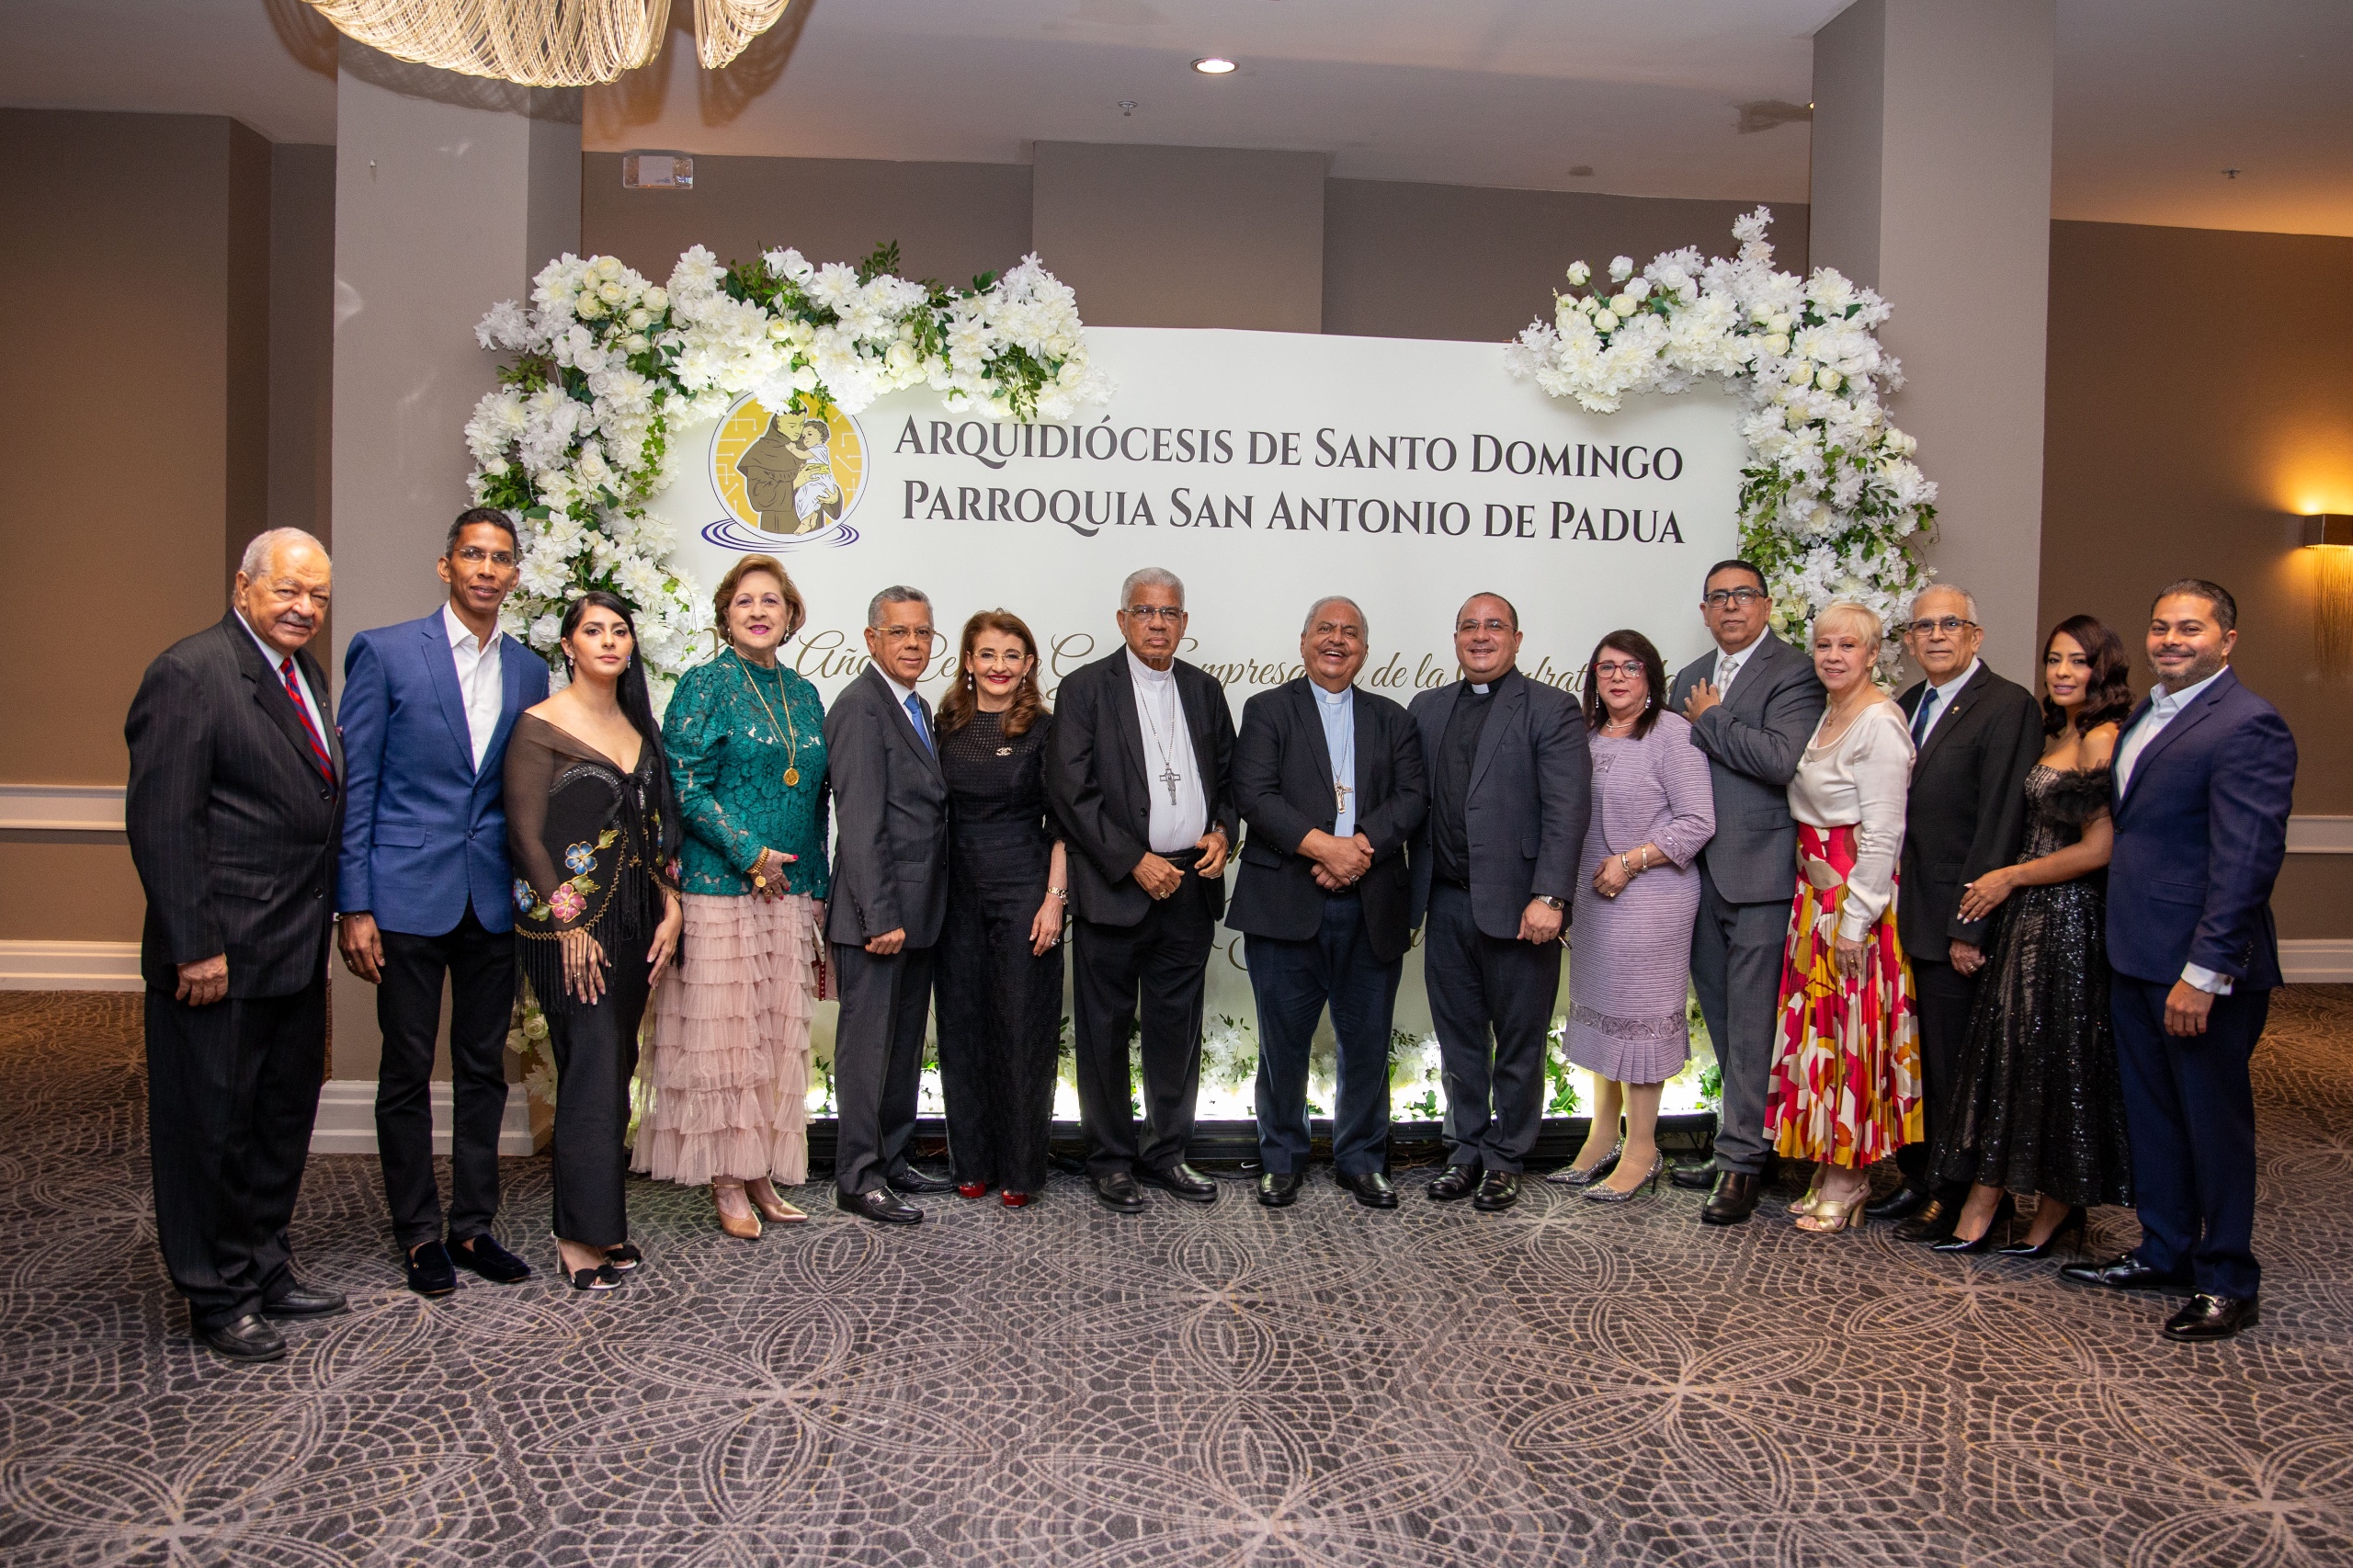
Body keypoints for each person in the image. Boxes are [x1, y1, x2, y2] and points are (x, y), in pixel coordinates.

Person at [126, 528, 348, 1362]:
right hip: (217, 958)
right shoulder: (190, 673)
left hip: (291, 948)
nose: (304, 609)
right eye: (288, 591)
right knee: (208, 1129)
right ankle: (215, 1294)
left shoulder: (300, 674)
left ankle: (263, 1265)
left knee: (275, 1121)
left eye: (318, 597)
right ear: (242, 587)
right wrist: (194, 946)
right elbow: (162, 822)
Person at [2063, 581, 2296, 1343]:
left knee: (2213, 1126)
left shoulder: (2249, 724)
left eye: (2190, 629)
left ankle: (2228, 1278)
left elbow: (2246, 863)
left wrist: (2205, 972)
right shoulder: (2144, 718)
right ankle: (2165, 1250)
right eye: (2160, 627)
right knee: (2154, 1119)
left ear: (2227, 639)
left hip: (2200, 969)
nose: (2170, 640)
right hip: (2134, 953)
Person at [335, 508, 547, 1297]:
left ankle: (472, 1225)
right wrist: (352, 904)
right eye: (473, 555)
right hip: (404, 895)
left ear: (515, 576)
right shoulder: (387, 653)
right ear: (445, 566)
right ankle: (419, 1232)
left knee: (483, 1069)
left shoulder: (529, 670)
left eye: (500, 559)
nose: (487, 570)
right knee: (405, 1070)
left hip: (493, 899)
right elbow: (357, 788)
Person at [1927, 615, 2135, 1254]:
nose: (2063, 673)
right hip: (2027, 919)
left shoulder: (2103, 739)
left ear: (2103, 672)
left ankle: (2050, 1210)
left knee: (2057, 1064)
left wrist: (2011, 876)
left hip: (2069, 919)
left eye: (2078, 662)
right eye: (2054, 661)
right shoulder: (2053, 732)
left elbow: (2101, 848)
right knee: (2012, 1059)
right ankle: (1994, 1201)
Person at [637, 556, 829, 1238]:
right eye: (745, 600)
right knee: (725, 1038)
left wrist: (819, 893)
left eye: (771, 601)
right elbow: (681, 783)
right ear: (725, 615)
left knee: (774, 1038)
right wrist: (750, 853)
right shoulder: (705, 684)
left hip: (789, 892)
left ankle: (759, 1171)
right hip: (722, 885)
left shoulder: (804, 694)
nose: (758, 610)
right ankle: (726, 1179)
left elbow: (815, 801)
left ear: (790, 613)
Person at [1045, 567, 1238, 1213]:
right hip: (1116, 887)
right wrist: (1134, 861)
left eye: (1170, 613)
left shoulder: (1206, 691)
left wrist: (1222, 834)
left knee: (1176, 1029)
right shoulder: (1084, 689)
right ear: (1123, 619)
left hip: (1189, 884)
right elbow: (1070, 794)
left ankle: (1167, 1153)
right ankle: (1111, 1159)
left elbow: (1231, 781)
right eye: (1146, 612)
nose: (1159, 623)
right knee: (1103, 1029)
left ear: (1185, 623)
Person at [506, 593, 684, 1289]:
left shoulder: (640, 726)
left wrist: (672, 907)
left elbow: (656, 832)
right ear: (569, 646)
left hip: (638, 921)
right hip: (568, 928)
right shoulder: (539, 726)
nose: (608, 641)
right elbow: (523, 836)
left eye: (619, 631)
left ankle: (602, 1227)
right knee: (591, 1064)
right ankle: (578, 1236)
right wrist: (566, 922)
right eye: (593, 631)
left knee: (614, 1068)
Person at [1227, 597, 1428, 1209]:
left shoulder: (1393, 718)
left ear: (1364, 648)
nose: (1336, 641)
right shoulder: (1266, 711)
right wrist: (1325, 849)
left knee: (1366, 1041)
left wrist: (1358, 848)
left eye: (1349, 633)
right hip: (1287, 903)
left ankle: (1361, 1159)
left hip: (1370, 905)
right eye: (1325, 630)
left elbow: (1414, 797)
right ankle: (1282, 1158)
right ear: (1304, 640)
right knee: (1282, 1043)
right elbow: (1253, 794)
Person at [1870, 585, 2046, 1241]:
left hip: (1956, 919)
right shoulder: (1906, 705)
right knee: (1912, 1059)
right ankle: (1920, 1178)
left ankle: (1963, 1191)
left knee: (1954, 1065)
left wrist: (1970, 927)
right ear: (1910, 641)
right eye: (1924, 626)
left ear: (1975, 636)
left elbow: (2004, 819)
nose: (1936, 635)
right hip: (1901, 915)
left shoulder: (2007, 706)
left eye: (1951, 624)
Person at [1408, 593, 1588, 1213]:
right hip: (1447, 902)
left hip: (1521, 909)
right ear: (1455, 638)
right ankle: (1465, 1149)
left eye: (1494, 626)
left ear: (1516, 639)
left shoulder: (1551, 709)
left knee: (1518, 1040)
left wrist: (1551, 896)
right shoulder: (1426, 709)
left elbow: (1568, 812)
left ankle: (1507, 1156)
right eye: (1469, 627)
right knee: (1459, 1040)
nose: (1480, 636)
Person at [1669, 561, 1827, 1224]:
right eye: (1718, 598)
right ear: (1704, 610)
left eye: (1743, 596)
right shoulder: (1686, 675)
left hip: (1760, 872)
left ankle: (1741, 1167)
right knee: (1726, 1021)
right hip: (1694, 874)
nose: (1731, 607)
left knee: (1756, 1024)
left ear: (1766, 606)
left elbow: (1779, 760)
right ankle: (1741, 1140)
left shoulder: (1794, 672)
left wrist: (1711, 718)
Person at [1764, 600, 1921, 1234]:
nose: (1833, 656)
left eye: (1847, 646)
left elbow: (1884, 835)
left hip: (1854, 909)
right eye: (1824, 645)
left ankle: (1851, 1176)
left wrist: (1856, 919)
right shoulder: (1830, 713)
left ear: (1873, 653)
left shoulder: (1880, 723)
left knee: (1850, 1040)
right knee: (1820, 1041)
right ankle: (1828, 1165)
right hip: (1813, 904)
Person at [1552, 631, 1715, 1203]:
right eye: (1605, 668)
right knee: (1602, 1016)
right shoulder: (1584, 733)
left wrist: (1630, 862)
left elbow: (1698, 820)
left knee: (1639, 1018)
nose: (1618, 678)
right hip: (1594, 899)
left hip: (1652, 898)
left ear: (1650, 675)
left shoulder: (1672, 733)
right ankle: (1602, 1137)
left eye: (1630, 667)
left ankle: (1643, 1147)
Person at [824, 585, 958, 1223]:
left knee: (903, 1047)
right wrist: (880, 919)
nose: (913, 644)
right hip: (876, 918)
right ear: (872, 638)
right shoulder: (859, 708)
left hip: (917, 915)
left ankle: (893, 1157)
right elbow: (860, 823)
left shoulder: (916, 707)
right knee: (867, 1050)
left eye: (924, 633)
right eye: (900, 632)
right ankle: (857, 1175)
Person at [934, 609, 1068, 1209]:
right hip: (955, 894)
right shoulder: (944, 723)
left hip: (1024, 891)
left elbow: (1064, 822)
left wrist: (1054, 900)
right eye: (987, 654)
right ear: (968, 661)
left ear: (1029, 665)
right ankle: (973, 1163)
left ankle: (1020, 1170)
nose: (999, 667)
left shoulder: (1045, 728)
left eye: (1012, 656)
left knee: (1021, 1031)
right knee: (962, 1030)